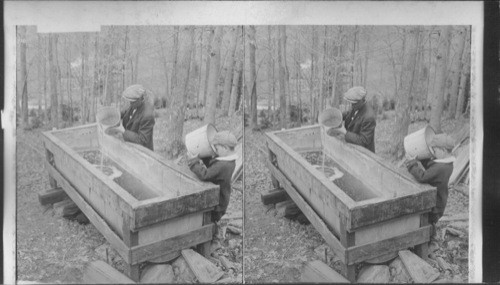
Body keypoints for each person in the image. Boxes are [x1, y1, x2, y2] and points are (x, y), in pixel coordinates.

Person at [405, 133, 455, 239]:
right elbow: (431, 166)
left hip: (435, 204)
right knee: (430, 220)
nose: (433, 152)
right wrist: (420, 158)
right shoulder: (447, 163)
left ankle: (429, 240)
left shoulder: (441, 168)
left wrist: (411, 163)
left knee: (427, 221)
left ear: (443, 150)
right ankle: (430, 235)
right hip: (440, 200)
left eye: (435, 150)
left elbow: (422, 176)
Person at [187, 131, 238, 224]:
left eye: (217, 148)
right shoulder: (230, 161)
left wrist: (193, 161)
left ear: (225, 148)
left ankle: (216, 232)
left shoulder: (223, 166)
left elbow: (205, 174)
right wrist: (204, 155)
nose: (215, 151)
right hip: (222, 200)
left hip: (217, 204)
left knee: (209, 221)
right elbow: (213, 167)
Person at [106, 84, 155, 151]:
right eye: (130, 101)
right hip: (130, 145)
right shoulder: (135, 104)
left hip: (142, 152)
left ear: (140, 99)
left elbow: (142, 140)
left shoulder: (148, 115)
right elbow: (125, 112)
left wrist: (123, 130)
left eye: (132, 102)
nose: (130, 104)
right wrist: (114, 114)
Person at [328, 86, 376, 152]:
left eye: (354, 103)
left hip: (364, 154)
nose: (352, 106)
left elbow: (363, 141)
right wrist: (337, 116)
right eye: (351, 103)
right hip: (352, 148)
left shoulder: (369, 117)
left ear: (362, 100)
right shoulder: (357, 107)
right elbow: (348, 114)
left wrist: (344, 132)